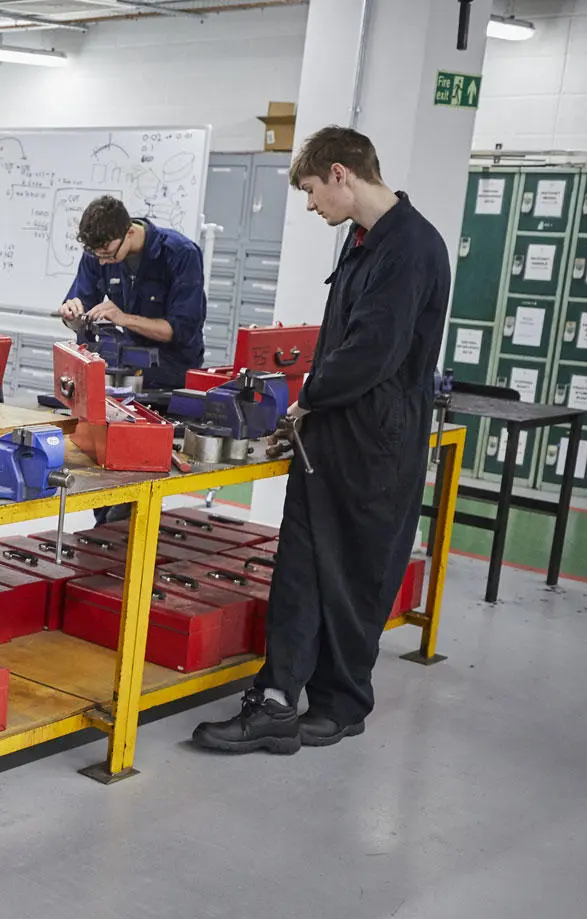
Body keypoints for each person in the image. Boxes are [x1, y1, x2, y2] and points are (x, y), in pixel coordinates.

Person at [191, 126, 449, 755]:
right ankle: (279, 699)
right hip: (338, 428)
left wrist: (306, 397)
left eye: (311, 190)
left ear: (340, 173)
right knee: (303, 563)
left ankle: (338, 705)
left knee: (356, 570)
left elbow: (373, 350)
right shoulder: (364, 241)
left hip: (376, 440)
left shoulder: (409, 247)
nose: (311, 206)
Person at [55, 195, 206, 392]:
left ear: (131, 232)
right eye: (97, 255)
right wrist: (71, 314)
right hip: (126, 368)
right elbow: (81, 309)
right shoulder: (99, 253)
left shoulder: (181, 254)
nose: (102, 262)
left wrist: (123, 318)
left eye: (108, 254)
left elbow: (179, 331)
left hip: (172, 375)